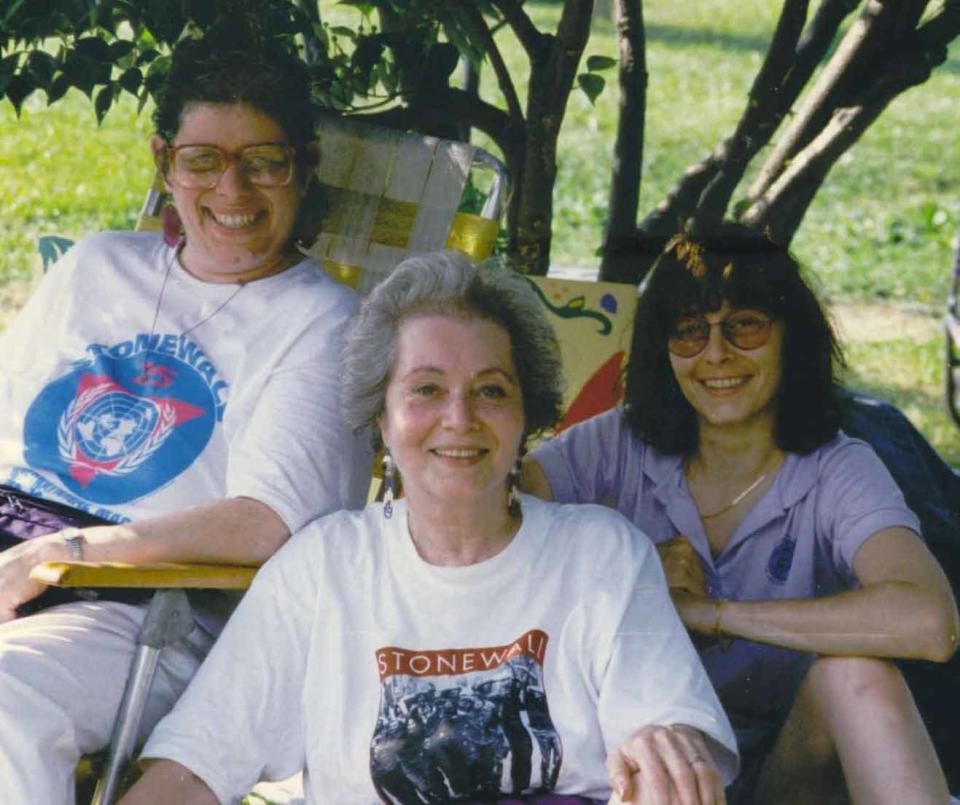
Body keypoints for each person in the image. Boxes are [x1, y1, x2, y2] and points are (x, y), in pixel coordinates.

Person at [119, 251, 738, 804]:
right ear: (381, 419)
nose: (459, 418)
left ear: (528, 416)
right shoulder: (324, 567)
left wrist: (669, 743)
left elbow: (671, 737)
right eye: (426, 390)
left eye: (491, 391)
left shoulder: (600, 552)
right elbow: (196, 768)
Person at [0, 22, 370, 801]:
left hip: (138, 606)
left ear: (305, 168)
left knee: (5, 699)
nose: (232, 191)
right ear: (163, 162)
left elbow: (267, 521)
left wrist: (64, 551)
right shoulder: (97, 263)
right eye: (203, 160)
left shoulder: (323, 321)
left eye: (263, 162)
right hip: (17, 560)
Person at [521, 224, 960, 804]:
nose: (716, 354)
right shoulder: (613, 444)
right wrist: (631, 572)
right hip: (638, 765)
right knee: (658, 749)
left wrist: (714, 614)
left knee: (857, 676)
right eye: (688, 333)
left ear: (790, 337)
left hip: (788, 774)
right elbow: (488, 528)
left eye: (744, 325)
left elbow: (931, 622)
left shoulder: (837, 464)